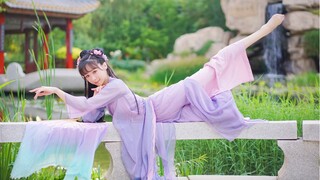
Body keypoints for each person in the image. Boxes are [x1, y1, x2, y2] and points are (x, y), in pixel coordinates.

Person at [30, 14, 285, 179]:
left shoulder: (115, 86)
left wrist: (56, 91)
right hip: (157, 106)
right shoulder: (105, 90)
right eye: (87, 76)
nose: (92, 78)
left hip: (159, 104)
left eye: (95, 71)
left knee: (211, 68)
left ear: (105, 66)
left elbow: (86, 104)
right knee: (209, 71)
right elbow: (92, 112)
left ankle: (262, 31)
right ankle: (258, 33)